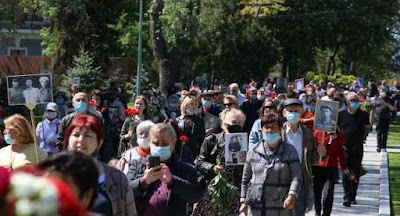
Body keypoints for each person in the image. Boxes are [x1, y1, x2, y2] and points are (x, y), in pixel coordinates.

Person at [64, 114, 137, 215]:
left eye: (88, 135)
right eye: (76, 135)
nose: (81, 140)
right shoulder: (55, 176)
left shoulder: (117, 178)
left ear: (99, 143)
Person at [127, 123, 202, 216]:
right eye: (156, 143)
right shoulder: (137, 164)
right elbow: (124, 193)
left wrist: (172, 181)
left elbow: (195, 195)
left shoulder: (186, 169)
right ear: (149, 141)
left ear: (173, 142)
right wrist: (144, 181)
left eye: (164, 144)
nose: (159, 147)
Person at [240, 113, 301, 216]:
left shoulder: (290, 151)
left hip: (280, 206)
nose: (269, 130)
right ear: (261, 129)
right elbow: (245, 179)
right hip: (256, 207)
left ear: (280, 129)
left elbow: (297, 177)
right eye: (266, 127)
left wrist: (292, 195)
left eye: (273, 127)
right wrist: (243, 201)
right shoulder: (253, 151)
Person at [194, 108, 246, 216]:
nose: (233, 128)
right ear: (223, 124)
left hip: (235, 190)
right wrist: (213, 167)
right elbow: (199, 162)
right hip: (214, 189)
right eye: (230, 124)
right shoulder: (212, 140)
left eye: (237, 124)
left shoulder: (245, 143)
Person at [281, 98, 322, 216]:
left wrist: (320, 153)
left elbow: (313, 159)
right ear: (284, 113)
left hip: (301, 176)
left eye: (296, 111)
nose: (293, 114)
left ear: (300, 113)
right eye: (290, 111)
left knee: (299, 210)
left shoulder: (307, 134)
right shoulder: (278, 132)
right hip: (281, 177)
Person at [337, 92, 370, 207]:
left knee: (355, 172)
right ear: (347, 102)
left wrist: (362, 137)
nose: (355, 102)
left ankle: (352, 195)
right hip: (344, 148)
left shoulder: (363, 115)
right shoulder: (341, 115)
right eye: (352, 100)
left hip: (357, 147)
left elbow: (367, 128)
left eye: (357, 100)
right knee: (346, 172)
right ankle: (347, 196)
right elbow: (336, 128)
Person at [312, 130, 349, 216]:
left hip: (331, 167)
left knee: (328, 192)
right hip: (318, 167)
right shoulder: (318, 132)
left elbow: (340, 151)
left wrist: (343, 167)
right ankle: (317, 212)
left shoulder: (339, 135)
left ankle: (326, 213)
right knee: (317, 192)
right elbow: (313, 148)